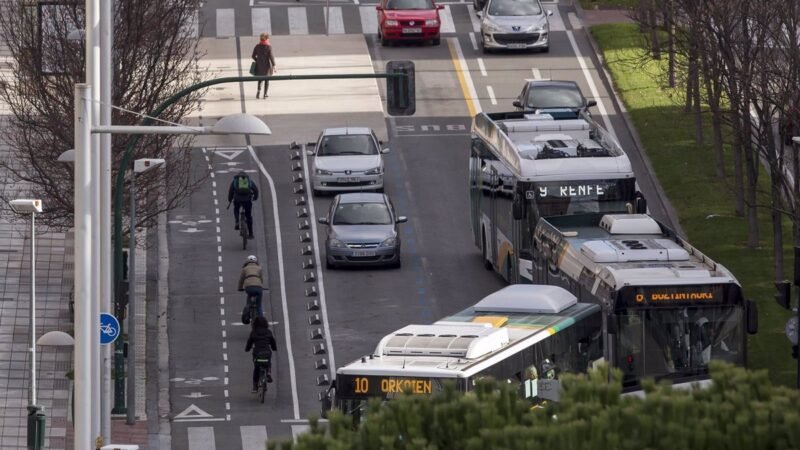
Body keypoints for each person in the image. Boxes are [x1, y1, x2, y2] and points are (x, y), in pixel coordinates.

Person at [245, 316, 278, 392]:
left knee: (256, 367)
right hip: (267, 352)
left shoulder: (253, 333)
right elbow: (273, 342)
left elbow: (249, 343)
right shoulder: (268, 332)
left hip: (257, 353)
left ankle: (255, 386)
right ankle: (269, 373)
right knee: (268, 362)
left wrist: (247, 349)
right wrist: (274, 348)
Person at [228, 171, 259, 238]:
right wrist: (255, 198)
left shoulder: (235, 181)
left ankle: (237, 221)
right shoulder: (249, 181)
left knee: (236, 209)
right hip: (247, 200)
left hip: (237, 199)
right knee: (248, 216)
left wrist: (230, 199)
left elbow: (230, 191)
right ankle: (250, 233)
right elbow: (256, 190)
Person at [251, 32, 277, 99]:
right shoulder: (268, 47)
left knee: (260, 79)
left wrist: (257, 60)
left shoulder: (257, 46)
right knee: (266, 80)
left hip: (259, 66)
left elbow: (253, 56)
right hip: (267, 67)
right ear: (267, 39)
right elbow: (271, 57)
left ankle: (258, 92)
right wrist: (274, 66)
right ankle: (265, 94)